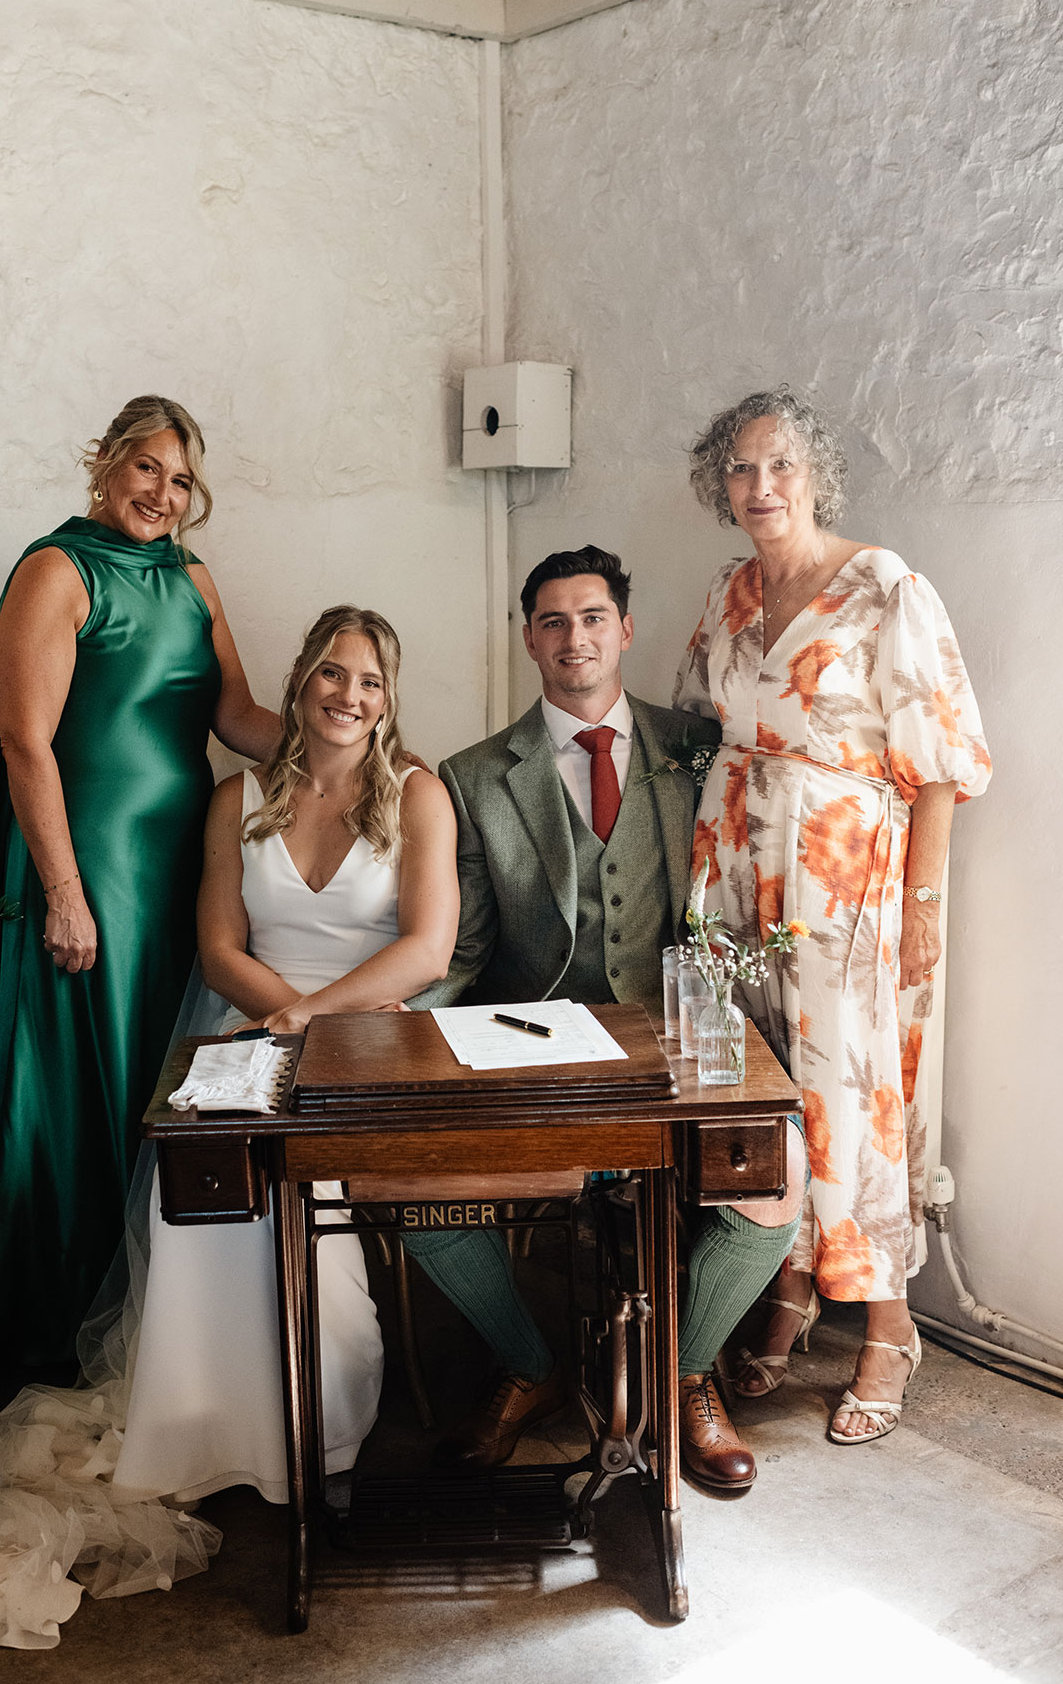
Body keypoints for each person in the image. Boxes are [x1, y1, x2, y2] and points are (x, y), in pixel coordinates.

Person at [0, 605, 460, 1648]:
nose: (350, 697)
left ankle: (320, 1446)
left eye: (372, 682)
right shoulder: (235, 799)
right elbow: (217, 947)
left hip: (364, 1043)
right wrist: (274, 1019)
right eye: (333, 675)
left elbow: (428, 950)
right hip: (244, 1026)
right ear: (300, 685)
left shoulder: (419, 794)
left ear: (390, 699)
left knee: (317, 1224)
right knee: (204, 1195)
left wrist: (310, 1017)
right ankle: (207, 1438)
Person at [411, 545, 808, 1490]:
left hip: (681, 1043)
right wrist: (393, 1033)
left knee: (779, 1179)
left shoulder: (699, 747)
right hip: (535, 1051)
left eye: (593, 617)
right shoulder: (474, 776)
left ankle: (682, 1370)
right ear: (528, 640)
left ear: (625, 629)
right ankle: (531, 1364)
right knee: (411, 1183)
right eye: (553, 621)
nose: (575, 637)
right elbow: (461, 950)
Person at [675, 387, 991, 1445]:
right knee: (757, 1086)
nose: (761, 488)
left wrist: (925, 905)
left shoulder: (884, 586)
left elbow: (940, 764)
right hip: (731, 874)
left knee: (848, 1103)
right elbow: (698, 722)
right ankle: (789, 1287)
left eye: (780, 467)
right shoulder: (727, 592)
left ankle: (888, 1328)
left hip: (839, 877)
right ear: (720, 487)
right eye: (740, 470)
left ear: (815, 476)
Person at [0, 395, 282, 1378]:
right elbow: (27, 743)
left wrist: (351, 748)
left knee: (167, 1086)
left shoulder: (193, 578)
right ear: (105, 462)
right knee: (88, 1090)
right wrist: (63, 893)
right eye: (147, 467)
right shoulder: (55, 570)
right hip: (92, 870)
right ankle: (66, 1331)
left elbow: (234, 715)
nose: (164, 492)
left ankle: (161, 1325)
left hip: (181, 871)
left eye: (182, 478)